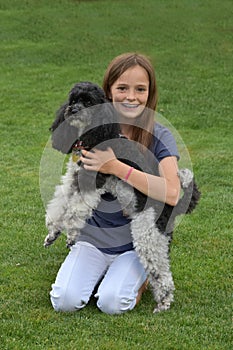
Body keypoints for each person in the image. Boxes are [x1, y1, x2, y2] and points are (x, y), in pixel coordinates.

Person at [50, 53, 180, 314]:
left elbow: (174, 193)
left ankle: (138, 274)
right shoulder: (87, 125)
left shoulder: (159, 135)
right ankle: (97, 268)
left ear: (150, 93)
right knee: (64, 301)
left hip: (134, 242)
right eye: (122, 88)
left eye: (140, 89)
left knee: (112, 303)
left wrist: (114, 167)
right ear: (108, 93)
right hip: (93, 238)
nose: (131, 97)